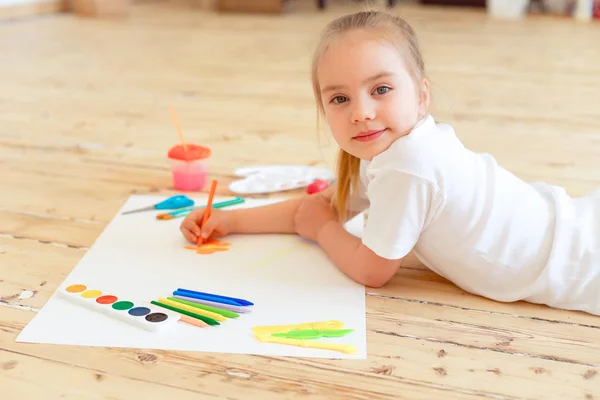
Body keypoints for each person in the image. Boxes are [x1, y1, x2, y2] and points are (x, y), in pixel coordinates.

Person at [181, 10, 600, 316]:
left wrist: (324, 230)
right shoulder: (390, 149)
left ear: (421, 95)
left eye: (380, 89)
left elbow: (371, 269)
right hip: (566, 223)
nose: (360, 112)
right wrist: (230, 221)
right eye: (340, 98)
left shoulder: (409, 164)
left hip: (576, 261)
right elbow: (318, 208)